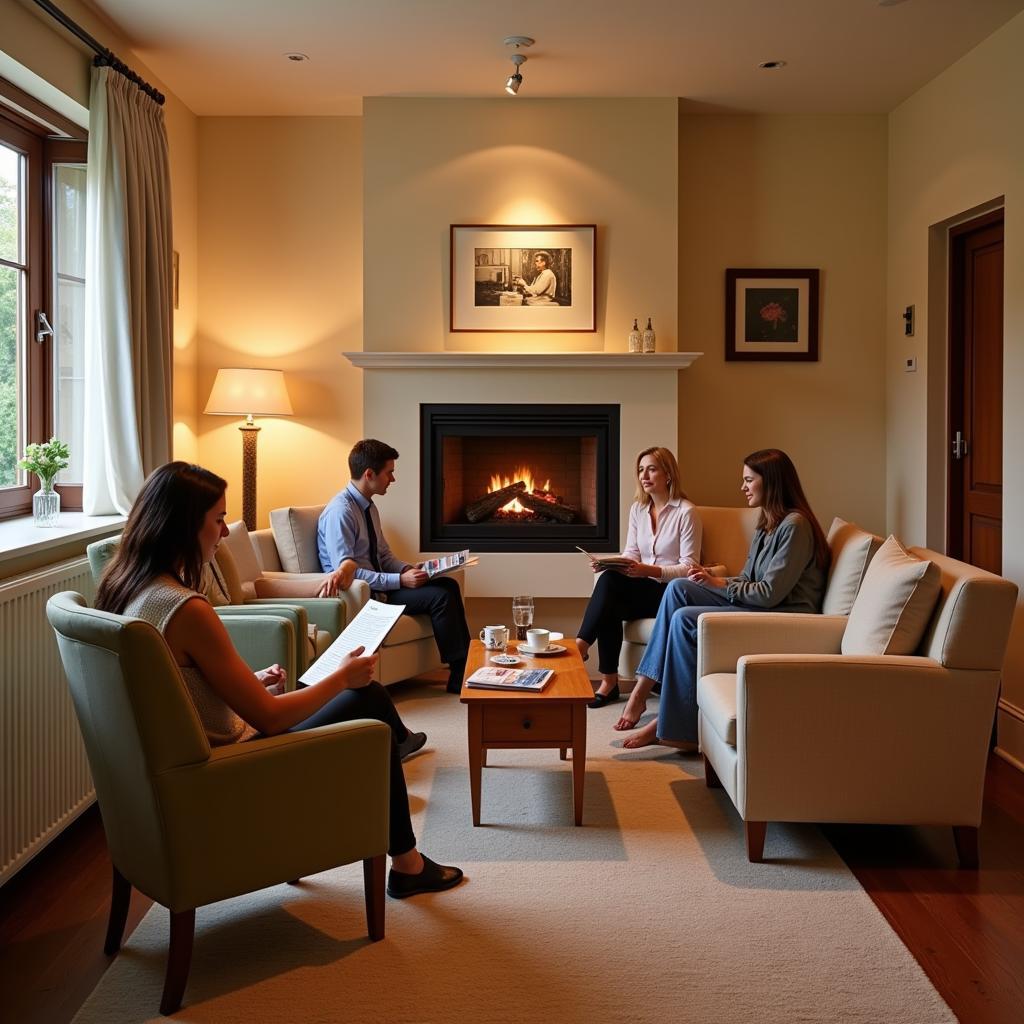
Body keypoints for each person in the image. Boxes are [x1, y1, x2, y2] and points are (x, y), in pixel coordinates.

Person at [95, 462, 463, 899]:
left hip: (189, 765)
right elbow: (269, 720)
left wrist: (249, 682)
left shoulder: (125, 589)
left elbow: (171, 686)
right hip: (231, 770)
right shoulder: (187, 609)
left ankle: (404, 847)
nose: (226, 532)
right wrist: (342, 677)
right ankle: (407, 864)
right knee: (371, 697)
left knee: (360, 699)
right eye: (217, 519)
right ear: (183, 527)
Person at [618, 448, 829, 750]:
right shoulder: (768, 522)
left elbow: (769, 595)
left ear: (771, 483)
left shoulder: (795, 526)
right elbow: (747, 579)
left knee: (684, 619)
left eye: (748, 480)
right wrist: (710, 579)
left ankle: (674, 726)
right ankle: (642, 690)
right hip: (759, 603)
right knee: (680, 587)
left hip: (783, 616)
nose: (743, 487)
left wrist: (718, 584)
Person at [318, 439, 471, 695]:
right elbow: (347, 574)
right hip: (365, 595)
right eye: (389, 472)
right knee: (440, 597)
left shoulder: (368, 506)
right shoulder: (341, 512)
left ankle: (462, 667)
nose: (393, 479)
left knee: (447, 584)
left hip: (384, 587)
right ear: (369, 474)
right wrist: (401, 582)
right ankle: (459, 673)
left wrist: (407, 570)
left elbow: (383, 554)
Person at [575, 447, 702, 710]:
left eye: (652, 468)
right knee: (609, 583)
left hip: (669, 593)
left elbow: (690, 567)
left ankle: (580, 647)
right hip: (642, 587)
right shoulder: (638, 509)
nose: (644, 475)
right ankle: (609, 682)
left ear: (668, 474)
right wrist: (610, 564)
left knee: (610, 590)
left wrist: (651, 571)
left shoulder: (686, 513)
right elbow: (631, 552)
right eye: (641, 470)